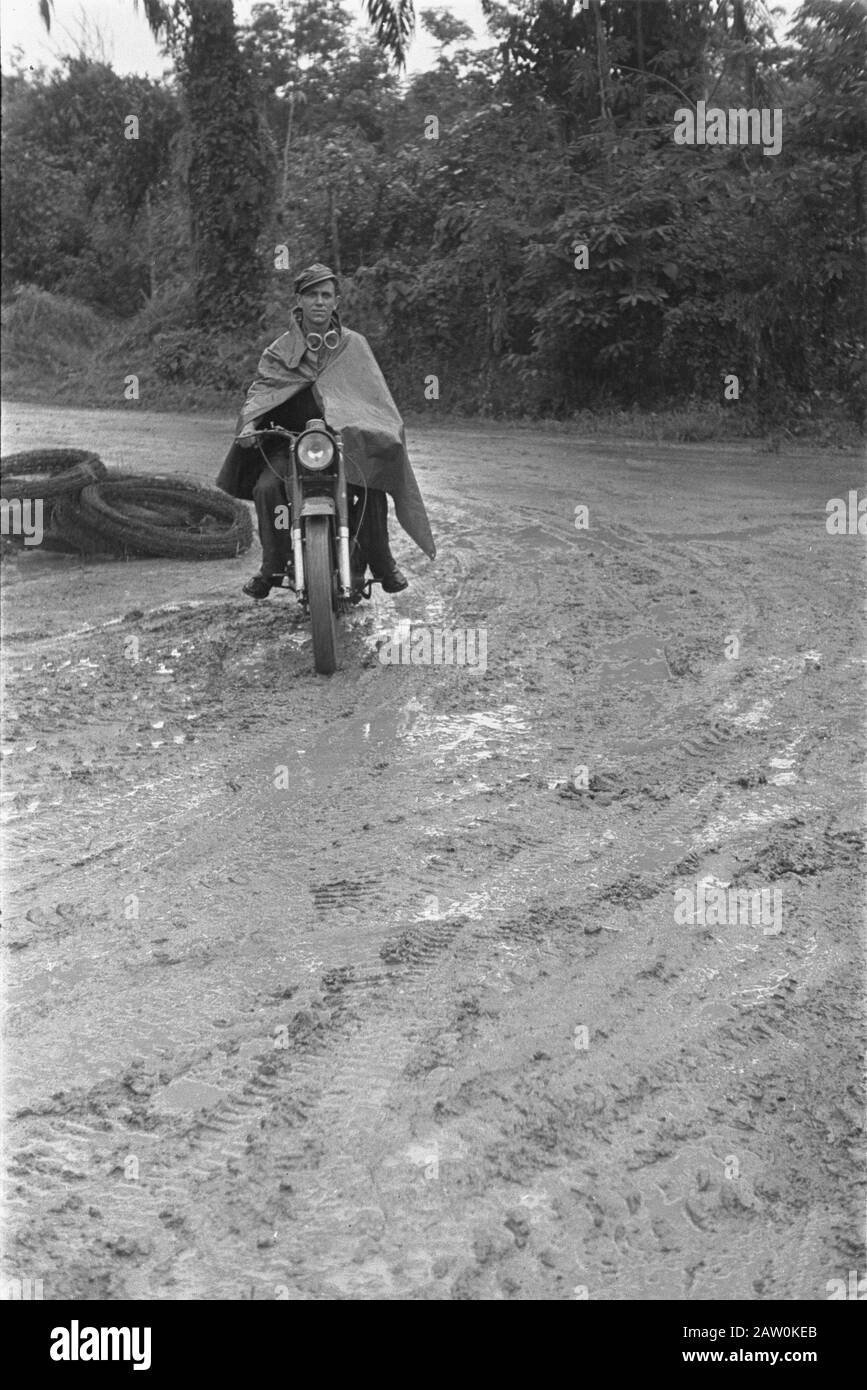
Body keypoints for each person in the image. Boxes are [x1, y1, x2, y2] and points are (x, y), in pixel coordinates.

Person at [216, 262, 435, 599]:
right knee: (267, 488)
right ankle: (272, 566)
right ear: (299, 301)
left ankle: (383, 563)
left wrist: (383, 430)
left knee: (371, 483)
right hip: (289, 442)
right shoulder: (278, 351)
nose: (319, 301)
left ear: (336, 302)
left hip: (344, 442)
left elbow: (374, 398)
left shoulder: (354, 345)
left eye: (326, 295)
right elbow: (260, 393)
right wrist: (249, 423)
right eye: (312, 295)